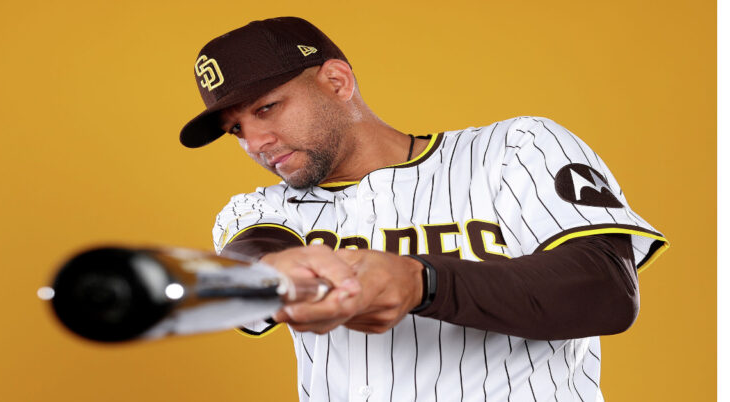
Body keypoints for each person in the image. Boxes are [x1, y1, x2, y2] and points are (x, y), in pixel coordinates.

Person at [180, 17, 668, 402]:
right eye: (236, 129)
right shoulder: (257, 209)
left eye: (266, 108)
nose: (256, 142)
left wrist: (422, 282)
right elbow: (247, 258)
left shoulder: (514, 149)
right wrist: (272, 271)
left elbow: (606, 290)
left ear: (336, 80)